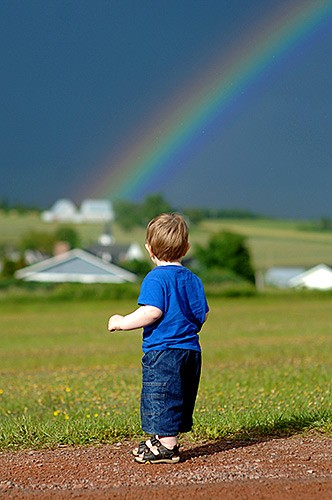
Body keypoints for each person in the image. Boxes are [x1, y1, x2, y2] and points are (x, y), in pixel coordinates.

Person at [108, 213, 209, 464]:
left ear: (149, 249)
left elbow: (152, 311)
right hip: (191, 351)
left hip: (164, 351)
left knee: (160, 394)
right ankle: (161, 439)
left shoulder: (156, 278)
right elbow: (203, 313)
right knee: (178, 394)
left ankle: (167, 447)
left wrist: (121, 323)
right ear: (186, 248)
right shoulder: (193, 279)